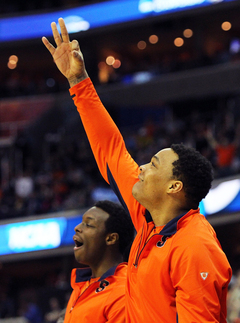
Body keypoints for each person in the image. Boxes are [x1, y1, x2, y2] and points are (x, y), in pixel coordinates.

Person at [42, 18, 232, 323]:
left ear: (173, 187)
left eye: (154, 164)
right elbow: (112, 149)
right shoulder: (148, 220)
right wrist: (79, 81)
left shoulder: (195, 245)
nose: (141, 167)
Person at [58, 200, 134, 323]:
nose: (77, 228)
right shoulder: (82, 285)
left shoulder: (123, 290)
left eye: (88, 224)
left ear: (111, 238)